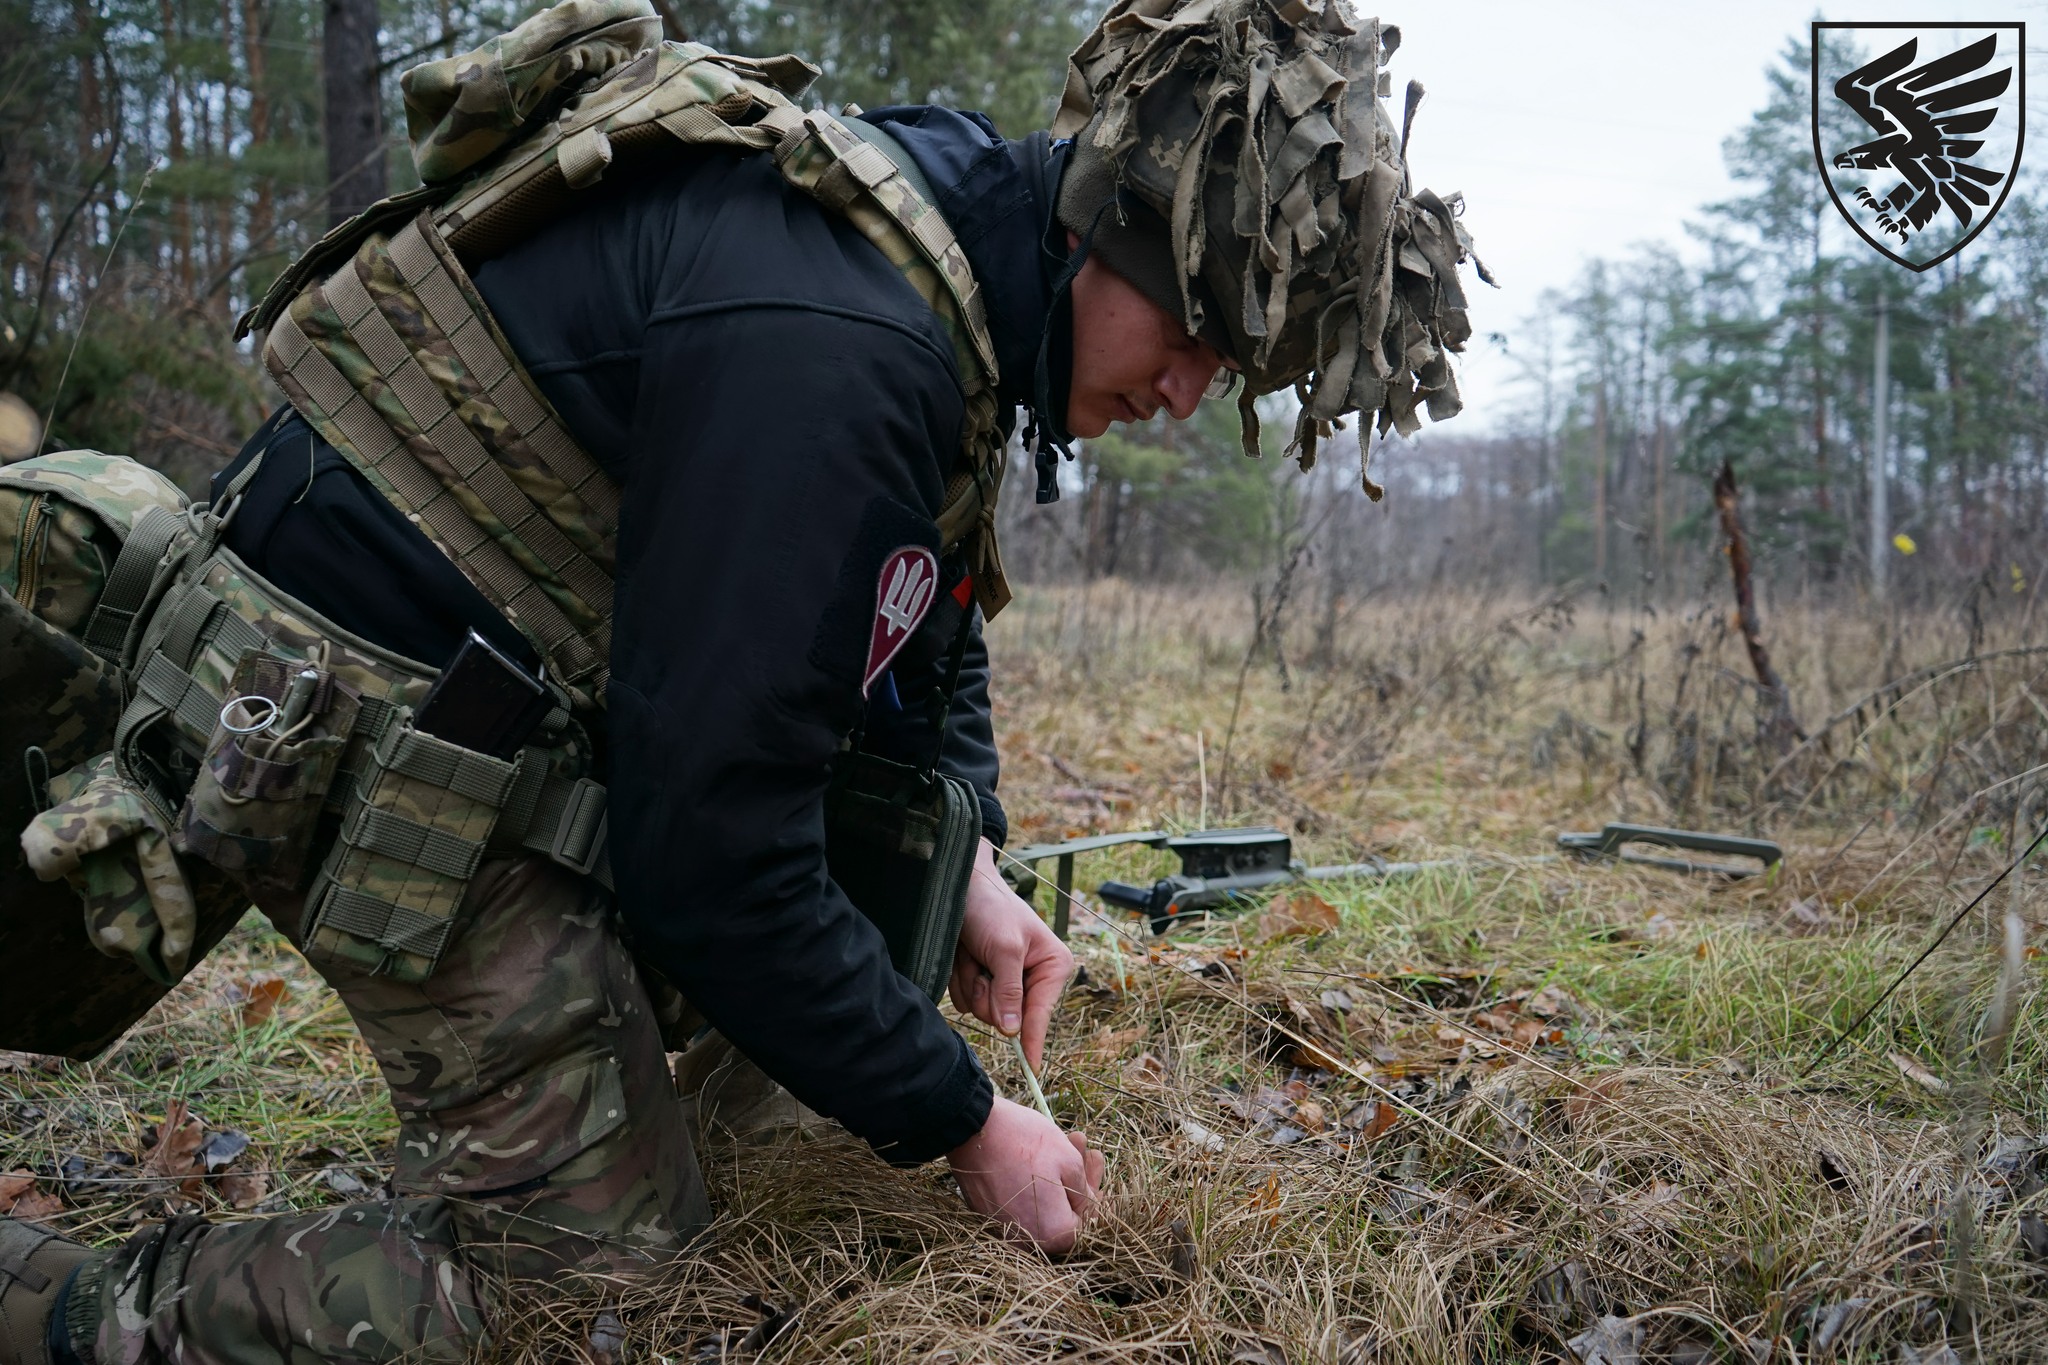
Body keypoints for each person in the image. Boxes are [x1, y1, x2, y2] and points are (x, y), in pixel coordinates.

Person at [0, 0, 1479, 1361]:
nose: (1182, 395)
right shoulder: (840, 342)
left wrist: (964, 854)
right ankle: (58, 1306)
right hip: (329, 701)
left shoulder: (952, 258)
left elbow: (921, 609)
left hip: (475, 692)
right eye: (1194, 337)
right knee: (585, 1284)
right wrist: (965, 1120)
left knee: (769, 1060)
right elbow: (708, 848)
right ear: (1111, 234)